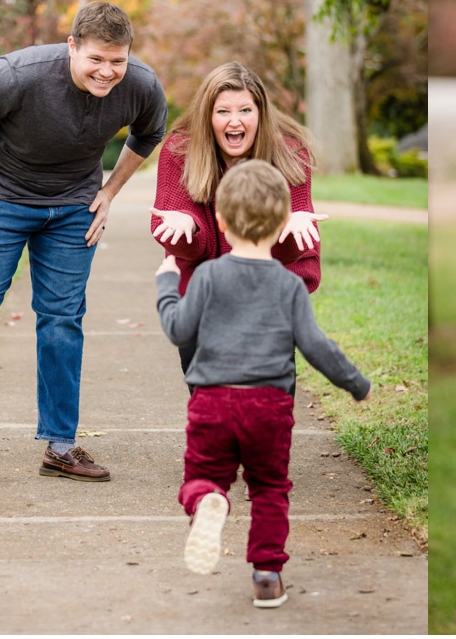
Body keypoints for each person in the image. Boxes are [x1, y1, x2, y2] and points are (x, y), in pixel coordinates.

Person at [0, 1, 168, 493]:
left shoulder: (140, 85)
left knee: (63, 318)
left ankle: (61, 447)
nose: (108, 72)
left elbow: (149, 132)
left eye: (118, 60)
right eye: (96, 59)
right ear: (72, 46)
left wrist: (108, 193)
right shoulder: (19, 74)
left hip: (72, 207)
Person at [155, 159, 371, 609]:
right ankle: (268, 576)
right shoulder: (288, 285)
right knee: (270, 489)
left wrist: (166, 284)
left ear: (220, 220)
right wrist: (356, 383)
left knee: (203, 476)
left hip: (211, 403)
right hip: (269, 407)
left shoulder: (209, 275)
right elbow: (315, 346)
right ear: (280, 225)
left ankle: (208, 500)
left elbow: (179, 331)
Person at [150, 62, 324, 382]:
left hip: (268, 291)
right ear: (208, 116)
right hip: (204, 292)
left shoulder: (289, 151)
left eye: (245, 110)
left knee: (268, 398)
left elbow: (287, 252)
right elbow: (184, 242)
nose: (234, 121)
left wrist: (290, 232)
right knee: (209, 400)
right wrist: (186, 227)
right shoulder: (180, 150)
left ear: (260, 113)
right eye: (223, 112)